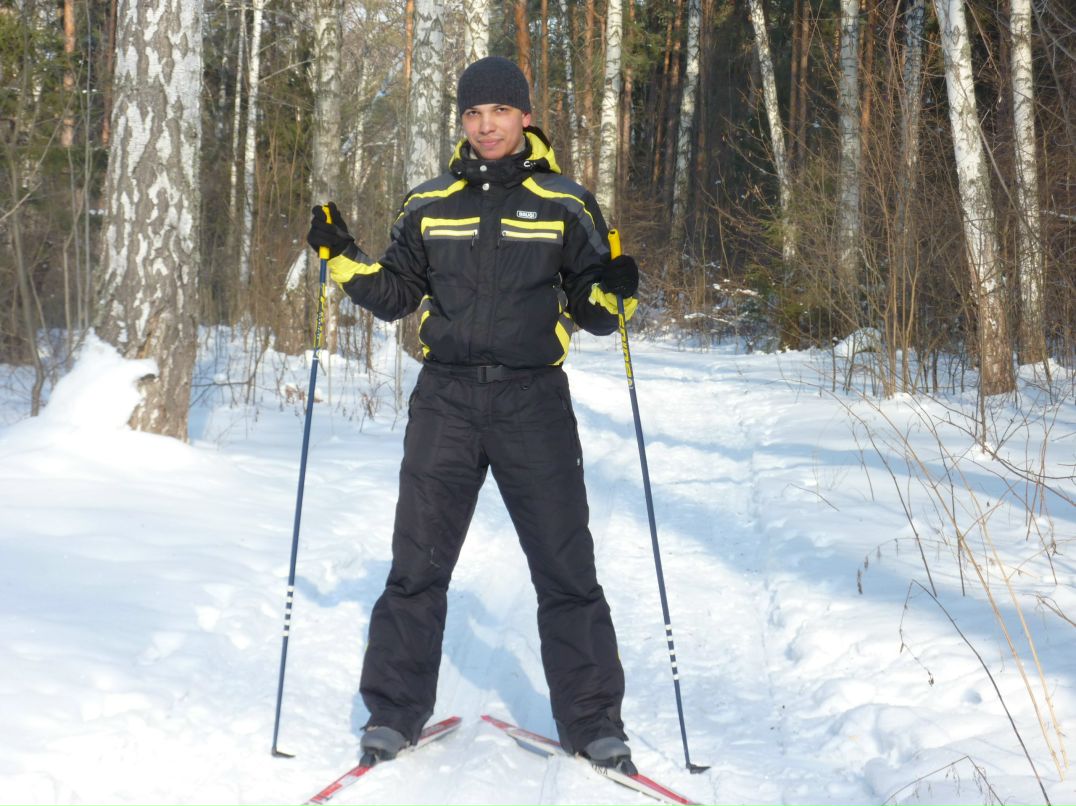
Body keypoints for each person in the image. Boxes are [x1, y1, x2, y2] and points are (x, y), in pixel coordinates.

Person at [306, 56, 640, 770]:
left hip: (532, 404)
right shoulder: (429, 201)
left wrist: (617, 290)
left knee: (565, 568)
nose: (486, 125)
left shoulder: (566, 202)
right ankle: (392, 716)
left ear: (525, 117)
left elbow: (597, 311)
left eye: (499, 112)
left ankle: (594, 724)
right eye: (472, 113)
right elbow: (395, 292)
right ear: (461, 121)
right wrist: (341, 258)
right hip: (447, 402)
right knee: (416, 567)